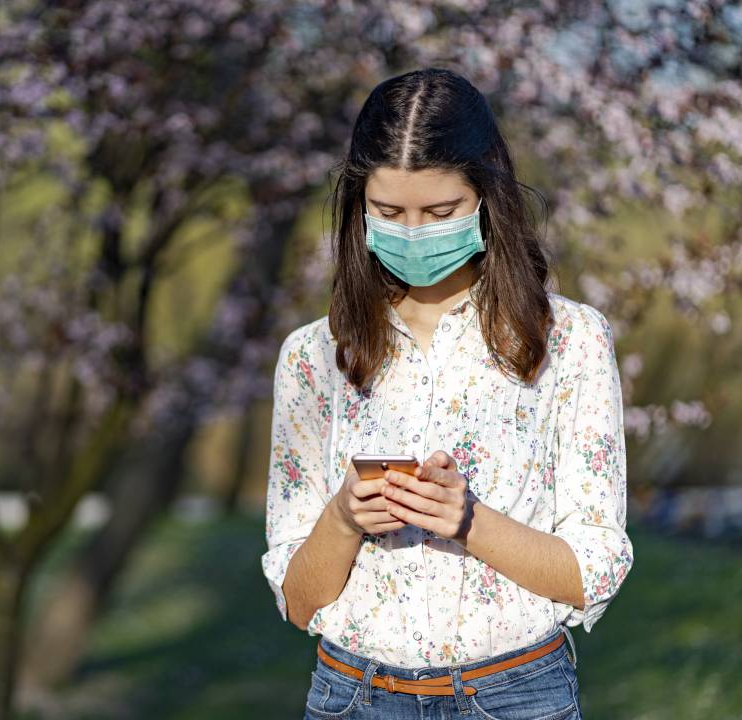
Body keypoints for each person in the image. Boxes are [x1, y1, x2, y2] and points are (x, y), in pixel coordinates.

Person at [261, 67, 634, 720]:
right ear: (358, 208)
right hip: (354, 698)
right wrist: (345, 517)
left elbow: (590, 575)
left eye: (440, 213)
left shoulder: (570, 341)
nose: (413, 233)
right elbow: (299, 603)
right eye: (388, 212)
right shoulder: (313, 358)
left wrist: (468, 520)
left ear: (487, 198)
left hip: (518, 696)